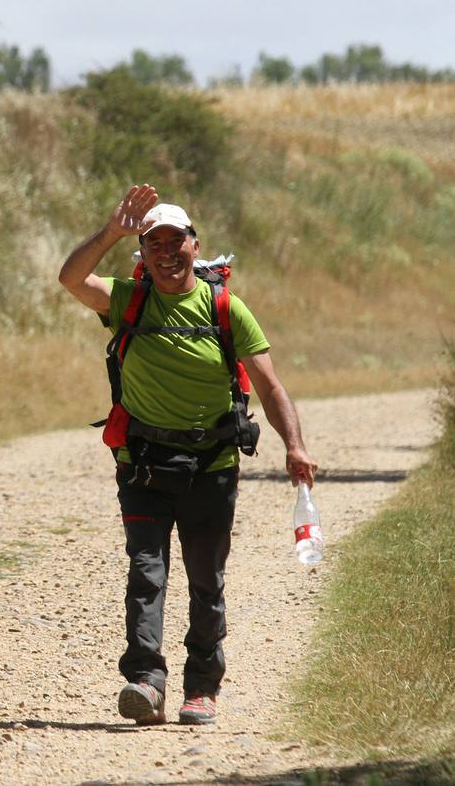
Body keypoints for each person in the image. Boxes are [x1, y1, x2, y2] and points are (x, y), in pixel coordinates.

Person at [58, 183, 318, 726]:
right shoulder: (128, 301)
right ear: (142, 254)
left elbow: (270, 386)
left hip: (212, 466)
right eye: (154, 243)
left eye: (176, 241)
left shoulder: (226, 308)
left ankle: (201, 687)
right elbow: (71, 279)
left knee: (206, 579)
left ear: (195, 247)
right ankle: (145, 682)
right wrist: (111, 231)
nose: (166, 252)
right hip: (144, 463)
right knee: (146, 573)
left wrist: (294, 444)